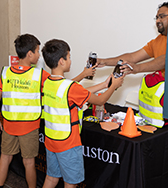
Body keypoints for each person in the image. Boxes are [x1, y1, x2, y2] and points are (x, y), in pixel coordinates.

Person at [41, 39, 124, 188]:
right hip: (68, 144)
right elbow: (99, 101)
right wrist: (113, 87)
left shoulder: (48, 82)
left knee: (51, 178)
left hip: (51, 140)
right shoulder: (70, 87)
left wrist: (105, 85)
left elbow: (78, 93)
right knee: (71, 183)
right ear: (61, 61)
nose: (71, 60)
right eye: (69, 57)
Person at [96, 2, 168, 127]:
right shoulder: (157, 41)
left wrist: (137, 68)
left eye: (162, 16)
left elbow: (165, 60)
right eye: (156, 17)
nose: (158, 20)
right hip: (159, 107)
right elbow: (132, 57)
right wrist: (104, 61)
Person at [0, 34, 50, 188]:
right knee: (29, 162)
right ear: (30, 54)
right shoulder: (39, 75)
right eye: (37, 51)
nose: (39, 55)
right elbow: (60, 86)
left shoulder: (6, 72)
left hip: (9, 125)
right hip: (29, 127)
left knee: (5, 158)